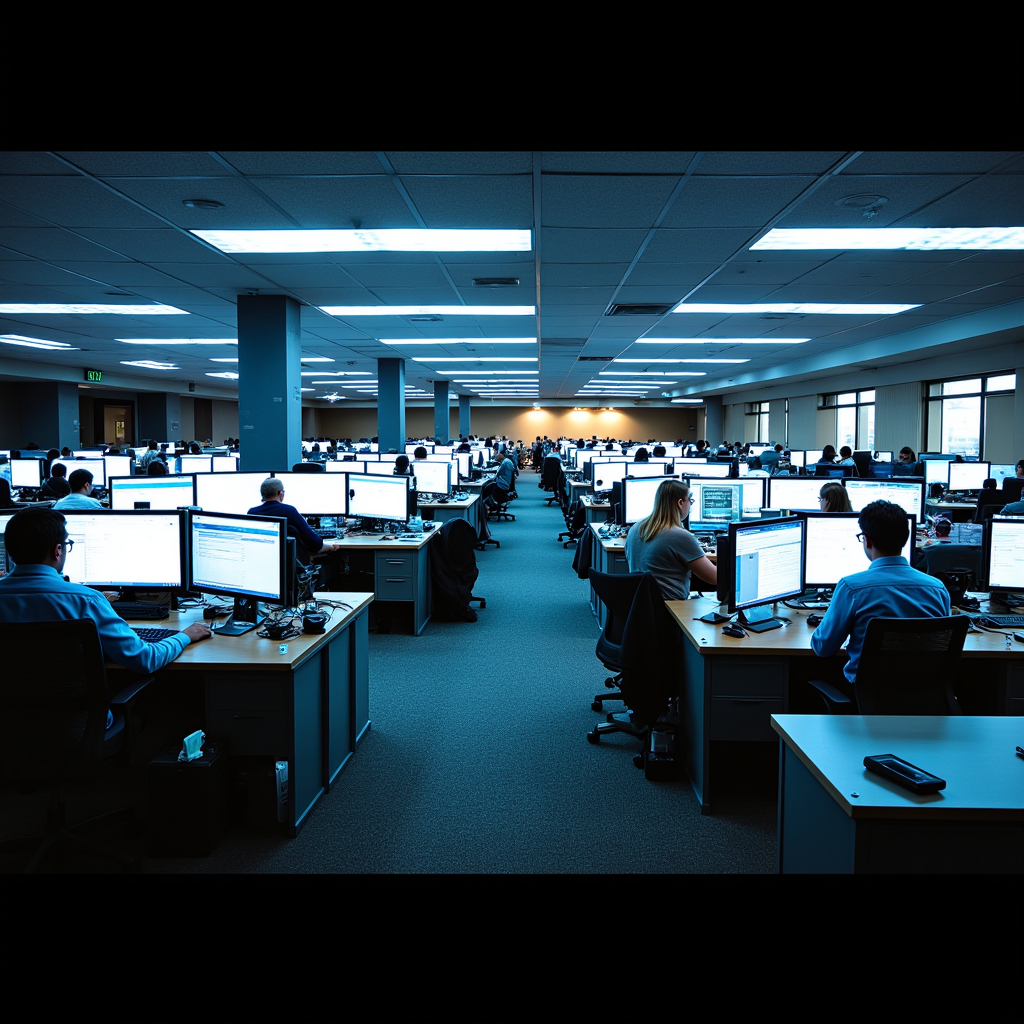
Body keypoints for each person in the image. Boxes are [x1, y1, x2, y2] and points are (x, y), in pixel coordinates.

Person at [0, 508, 211, 726]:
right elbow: (144, 660)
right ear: (58, 551)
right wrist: (185, 636)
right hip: (77, 729)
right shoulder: (86, 601)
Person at [809, 500, 951, 688]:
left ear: (867, 540)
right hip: (923, 697)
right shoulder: (938, 589)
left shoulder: (851, 588)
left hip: (867, 697)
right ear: (907, 538)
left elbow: (823, 648)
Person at [625, 479, 717, 601]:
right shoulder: (679, 536)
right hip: (670, 610)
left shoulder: (635, 528)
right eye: (690, 500)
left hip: (640, 607)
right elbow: (715, 578)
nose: (690, 505)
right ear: (680, 503)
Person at [247, 477, 340, 561]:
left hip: (263, 562)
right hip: (290, 566)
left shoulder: (251, 513)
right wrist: (331, 546)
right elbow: (315, 543)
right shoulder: (289, 511)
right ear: (280, 493)